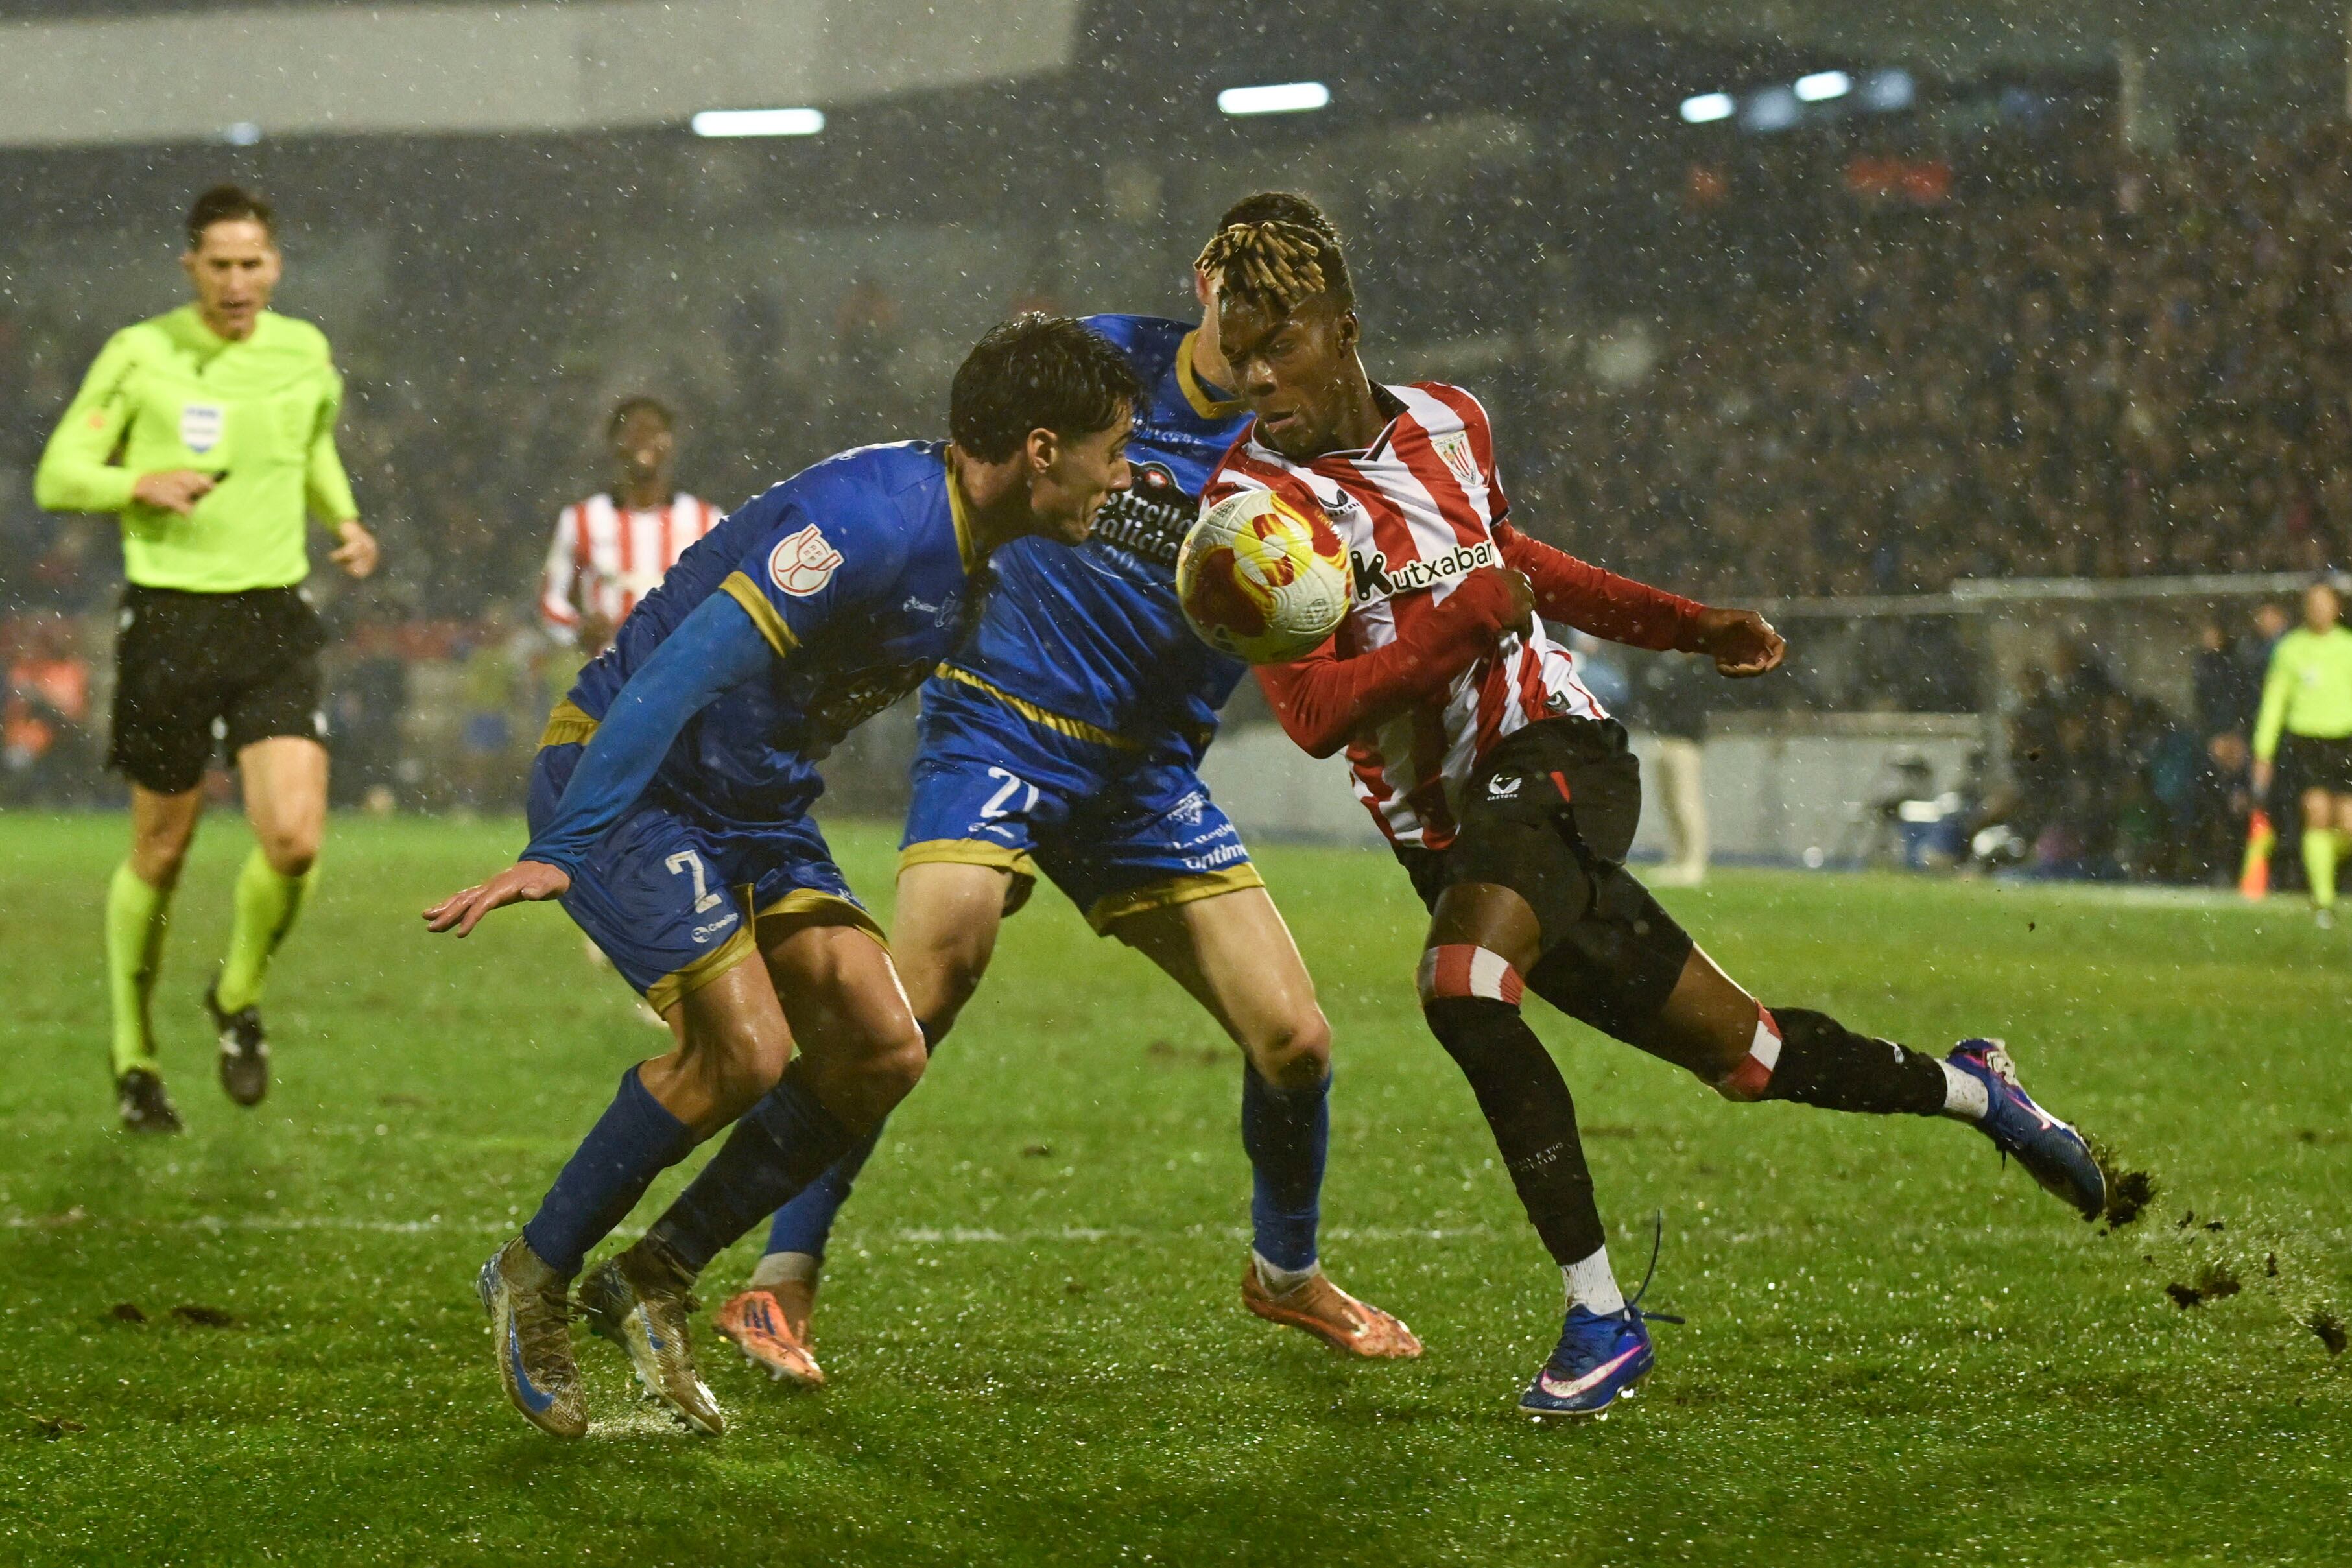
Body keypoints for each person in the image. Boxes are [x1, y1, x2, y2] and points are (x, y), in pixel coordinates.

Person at [1196, 214, 2110, 1419]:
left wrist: (1687, 625)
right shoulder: (1246, 508)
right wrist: (1454, 625)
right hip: (1452, 841)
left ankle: (1599, 1318)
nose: (1258, 377)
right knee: (1752, 1057)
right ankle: (1977, 1089)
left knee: (1464, 983)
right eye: (1237, 351)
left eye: (1281, 345)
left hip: (1558, 753)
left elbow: (1516, 559)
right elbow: (1312, 712)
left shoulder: (1451, 421)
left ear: (1346, 332)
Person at [711, 193, 1418, 1391]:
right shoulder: (1100, 369)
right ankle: (778, 1276)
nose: (1255, 354)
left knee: (1295, 1041)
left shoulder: (1297, 447)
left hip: (1141, 777)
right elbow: (973, 473)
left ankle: (1285, 1273)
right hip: (998, 722)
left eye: (1282, 330)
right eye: (1242, 320)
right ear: (1205, 279)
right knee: (925, 983)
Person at [423, 315, 1138, 1440]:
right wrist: (562, 844)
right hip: (633, 777)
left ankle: (653, 1273)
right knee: (744, 1050)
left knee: (882, 1047)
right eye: (1115, 446)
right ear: (1042, 449)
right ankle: (531, 1272)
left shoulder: (978, 556)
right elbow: (671, 675)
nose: (1125, 472)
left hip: (751, 808)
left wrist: (1000, 845)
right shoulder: (863, 522)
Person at [34, 183, 380, 1131]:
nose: (237, 281)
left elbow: (310, 449)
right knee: (162, 846)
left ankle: (234, 995)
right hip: (171, 623)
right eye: (219, 264)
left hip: (270, 616)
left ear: (275, 265)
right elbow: (58, 473)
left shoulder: (303, 350)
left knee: (296, 839)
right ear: (191, 267)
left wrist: (342, 519)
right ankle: (134, 1054)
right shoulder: (142, 355)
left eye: (252, 263)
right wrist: (136, 480)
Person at [538, 397, 720, 656]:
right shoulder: (580, 520)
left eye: (654, 431)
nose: (643, 440)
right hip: (610, 678)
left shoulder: (707, 520)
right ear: (615, 444)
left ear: (669, 444)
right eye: (633, 432)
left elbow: (728, 595)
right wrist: (580, 628)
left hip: (686, 673)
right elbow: (551, 601)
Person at [2251, 579, 2352, 926]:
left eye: (2325, 602)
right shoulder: (2291, 649)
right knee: (2316, 811)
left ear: (2336, 607)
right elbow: (2274, 703)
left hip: (2345, 741)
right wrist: (2263, 751)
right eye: (2313, 603)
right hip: (2307, 742)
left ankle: (2318, 860)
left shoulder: (2348, 647)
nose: (2319, 609)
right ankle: (2324, 901)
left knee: (2348, 824)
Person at [1629, 650, 1712, 886]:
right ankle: (1678, 858)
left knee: (1687, 803)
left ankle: (1694, 863)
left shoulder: (1698, 673)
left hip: (1684, 743)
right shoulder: (1671, 668)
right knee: (1670, 804)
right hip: (1664, 739)